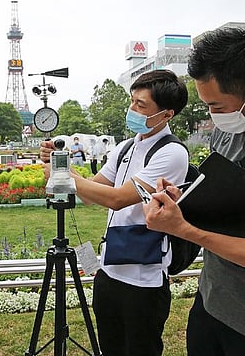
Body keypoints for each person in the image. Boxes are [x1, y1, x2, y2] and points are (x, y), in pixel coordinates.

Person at [40, 70, 189, 356]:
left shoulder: (172, 153)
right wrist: (60, 167)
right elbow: (90, 196)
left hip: (143, 277)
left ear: (167, 114)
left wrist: (66, 177)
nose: (132, 109)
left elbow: (119, 199)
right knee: (110, 347)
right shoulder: (125, 148)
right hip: (109, 270)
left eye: (141, 105)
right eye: (132, 101)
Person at [144, 27, 245, 356]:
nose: (213, 116)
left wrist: (183, 229)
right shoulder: (227, 134)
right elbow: (223, 199)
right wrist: (183, 198)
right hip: (213, 298)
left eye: (217, 106)